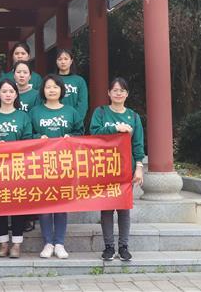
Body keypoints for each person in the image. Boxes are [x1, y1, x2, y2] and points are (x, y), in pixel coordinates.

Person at [89, 77, 145, 262]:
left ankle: (123, 247)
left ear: (127, 94)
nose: (118, 93)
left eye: (122, 90)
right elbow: (94, 132)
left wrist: (139, 167)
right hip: (104, 167)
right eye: (115, 90)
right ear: (109, 93)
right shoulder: (101, 112)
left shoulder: (133, 117)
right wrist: (115, 128)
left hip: (125, 169)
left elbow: (138, 144)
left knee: (123, 208)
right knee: (106, 208)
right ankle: (108, 247)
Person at [31, 74, 83, 260]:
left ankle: (59, 242)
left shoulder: (71, 111)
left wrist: (71, 138)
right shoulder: (35, 112)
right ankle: (48, 242)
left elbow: (80, 132)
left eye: (55, 87)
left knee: (61, 203)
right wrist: (38, 138)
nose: (51, 90)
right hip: (41, 163)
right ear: (43, 90)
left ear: (61, 90)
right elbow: (28, 134)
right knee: (45, 202)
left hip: (64, 163)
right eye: (48, 87)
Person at [0, 78, 34, 258]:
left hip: (18, 166)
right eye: (4, 91)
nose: (8, 95)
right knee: (0, 204)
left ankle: (16, 243)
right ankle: (3, 243)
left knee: (17, 204)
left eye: (11, 91)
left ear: (16, 95)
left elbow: (28, 140)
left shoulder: (23, 116)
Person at [55, 48, 88, 124]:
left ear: (71, 61)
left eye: (66, 59)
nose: (63, 62)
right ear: (56, 61)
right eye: (60, 59)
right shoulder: (51, 80)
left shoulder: (79, 80)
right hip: (55, 121)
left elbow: (82, 104)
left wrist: (76, 120)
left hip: (75, 121)